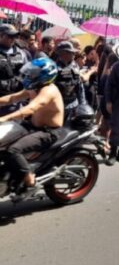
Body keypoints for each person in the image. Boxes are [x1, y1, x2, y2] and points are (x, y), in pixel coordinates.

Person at [0, 57, 63, 192]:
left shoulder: (49, 90)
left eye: (33, 73)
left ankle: (29, 179)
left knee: (13, 150)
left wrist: (4, 118)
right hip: (31, 126)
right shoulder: (34, 87)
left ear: (45, 74)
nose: (30, 75)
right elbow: (12, 98)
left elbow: (31, 108)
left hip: (48, 132)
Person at [53, 41, 88, 122]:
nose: (74, 54)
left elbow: (80, 87)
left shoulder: (75, 66)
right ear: (63, 53)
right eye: (71, 52)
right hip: (58, 106)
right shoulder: (53, 68)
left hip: (73, 105)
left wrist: (83, 105)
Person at [0, 24, 30, 116]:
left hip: (16, 100)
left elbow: (27, 74)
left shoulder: (21, 53)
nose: (13, 39)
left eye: (14, 36)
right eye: (10, 36)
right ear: (1, 35)